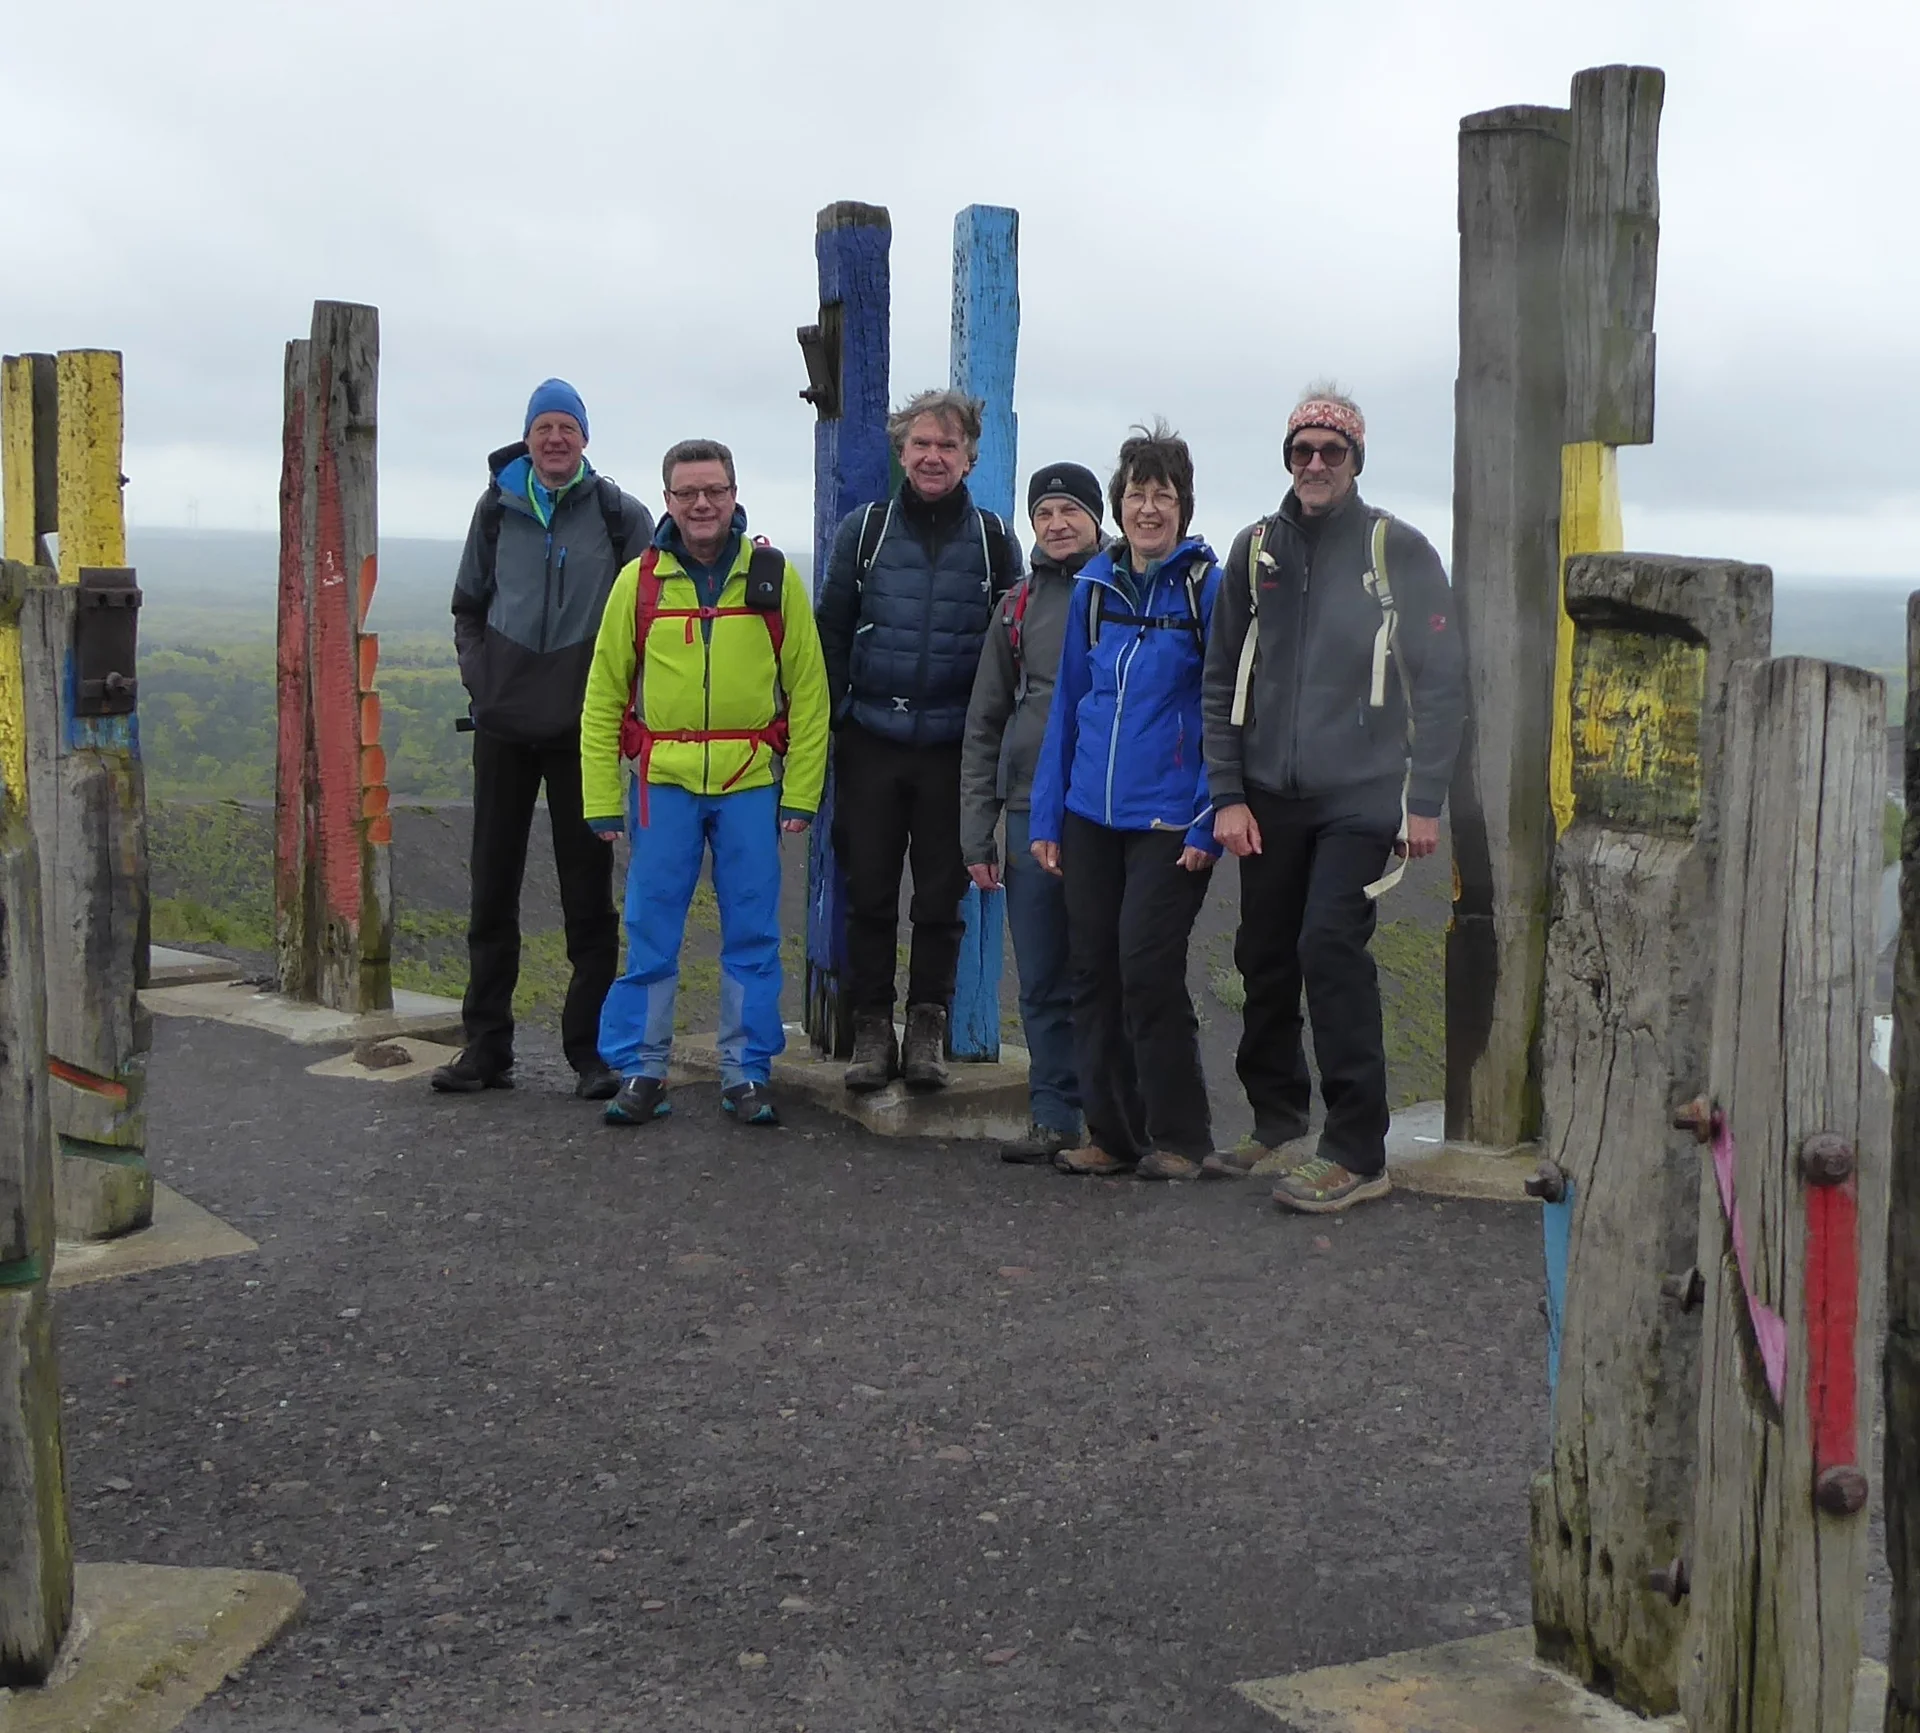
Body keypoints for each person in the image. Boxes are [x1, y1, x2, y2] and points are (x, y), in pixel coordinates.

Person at [1200, 385, 1465, 1212]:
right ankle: (1278, 1120)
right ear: (1287, 457)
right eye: (1301, 449)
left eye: (1332, 451)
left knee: (1329, 948)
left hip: (1362, 792)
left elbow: (1445, 679)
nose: (1315, 464)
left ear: (1356, 461)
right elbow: (1219, 681)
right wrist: (1228, 794)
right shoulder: (1255, 553)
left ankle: (1357, 1148)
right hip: (1269, 795)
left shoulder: (1397, 550)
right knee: (1263, 955)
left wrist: (1425, 801)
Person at [579, 439, 828, 1128]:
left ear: (734, 492)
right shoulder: (641, 581)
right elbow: (603, 695)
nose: (702, 504)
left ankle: (745, 1073)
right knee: (650, 930)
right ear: (667, 500)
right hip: (663, 783)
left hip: (751, 781)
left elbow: (809, 692)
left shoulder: (773, 577)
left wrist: (801, 791)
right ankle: (642, 1069)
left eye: (714, 490)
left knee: (752, 931)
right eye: (687, 492)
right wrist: (602, 799)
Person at [436, 379, 653, 1098]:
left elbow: (645, 622)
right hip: (501, 727)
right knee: (490, 891)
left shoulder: (621, 516)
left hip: (582, 732)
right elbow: (468, 606)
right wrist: (483, 682)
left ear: (585, 437)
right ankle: (485, 1047)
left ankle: (590, 1053)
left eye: (567, 426)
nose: (555, 438)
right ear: (527, 437)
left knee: (587, 897)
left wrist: (619, 703)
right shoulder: (496, 509)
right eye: (544, 427)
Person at [1027, 423, 1222, 1181]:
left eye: (1162, 495)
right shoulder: (1093, 590)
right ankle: (1110, 1134)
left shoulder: (1208, 590)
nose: (1148, 509)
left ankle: (1180, 1136)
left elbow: (1222, 711)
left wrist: (1210, 814)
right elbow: (1069, 706)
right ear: (1120, 504)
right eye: (1136, 494)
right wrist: (1048, 815)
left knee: (1146, 965)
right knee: (1093, 972)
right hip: (1088, 815)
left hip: (1170, 818)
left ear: (1182, 505)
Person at [814, 389, 1020, 1094]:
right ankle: (873, 1031)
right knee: (867, 890)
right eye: (921, 445)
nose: (934, 457)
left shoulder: (995, 540)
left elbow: (1011, 650)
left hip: (953, 751)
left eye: (948, 446)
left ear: (969, 458)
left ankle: (926, 1030)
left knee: (941, 897)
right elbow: (831, 632)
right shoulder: (863, 532)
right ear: (902, 453)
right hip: (871, 739)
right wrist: (843, 717)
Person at [961, 462, 1106, 1164]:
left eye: (1069, 510)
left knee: (1107, 969)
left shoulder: (1124, 590)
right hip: (1023, 813)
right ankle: (1054, 1115)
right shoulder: (1015, 606)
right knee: (1044, 972)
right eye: (1044, 512)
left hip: (1109, 811)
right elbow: (984, 720)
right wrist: (975, 829)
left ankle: (1117, 1118)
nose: (1055, 524)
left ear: (1095, 517)